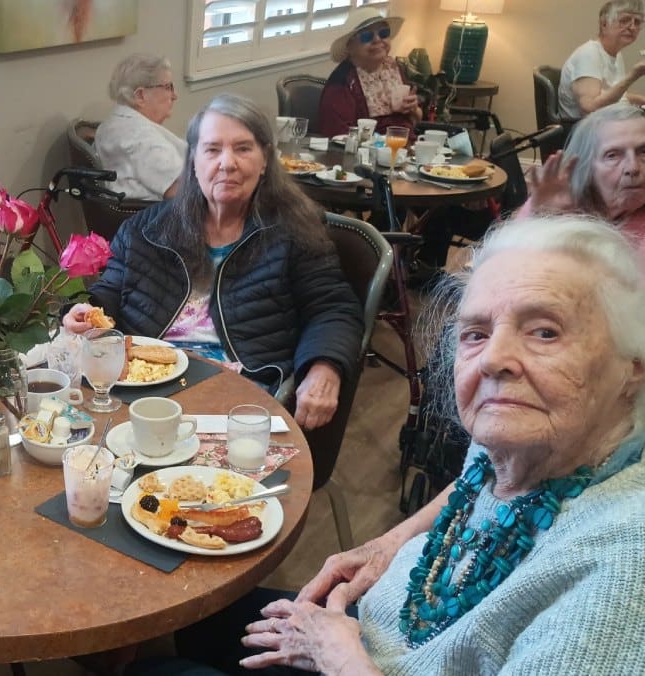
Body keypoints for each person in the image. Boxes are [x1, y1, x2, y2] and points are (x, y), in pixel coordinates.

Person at [130, 215, 645, 675]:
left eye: (545, 332)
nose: (494, 359)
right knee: (204, 623)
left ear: (631, 371)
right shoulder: (527, 443)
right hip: (382, 626)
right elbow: (475, 482)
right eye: (475, 333)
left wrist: (341, 656)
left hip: (363, 657)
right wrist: (385, 546)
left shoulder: (622, 569)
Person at [65, 94, 363, 431]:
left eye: (243, 148)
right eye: (212, 149)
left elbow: (332, 308)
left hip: (238, 394)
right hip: (140, 386)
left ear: (265, 159)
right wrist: (85, 309)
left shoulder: (295, 231)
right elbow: (111, 289)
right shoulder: (145, 229)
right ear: (193, 160)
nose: (227, 162)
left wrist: (325, 367)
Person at [522, 102, 645, 253]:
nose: (633, 167)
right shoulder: (551, 203)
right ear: (587, 166)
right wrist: (547, 226)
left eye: (643, 152)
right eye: (612, 156)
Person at [95, 53, 186, 201]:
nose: (175, 95)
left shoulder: (112, 124)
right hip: (160, 218)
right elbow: (178, 190)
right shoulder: (139, 136)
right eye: (168, 87)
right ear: (140, 96)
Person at [318, 7, 420, 139]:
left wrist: (414, 109)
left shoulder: (393, 67)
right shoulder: (342, 82)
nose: (377, 40)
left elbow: (414, 120)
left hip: (407, 150)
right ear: (350, 47)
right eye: (367, 36)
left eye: (384, 33)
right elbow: (339, 137)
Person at [558, 0, 645, 119]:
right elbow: (589, 107)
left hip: (606, 123)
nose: (633, 27)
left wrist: (641, 100)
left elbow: (613, 96)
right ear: (604, 24)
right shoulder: (589, 53)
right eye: (624, 20)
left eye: (637, 22)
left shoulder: (616, 54)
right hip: (583, 130)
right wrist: (633, 75)